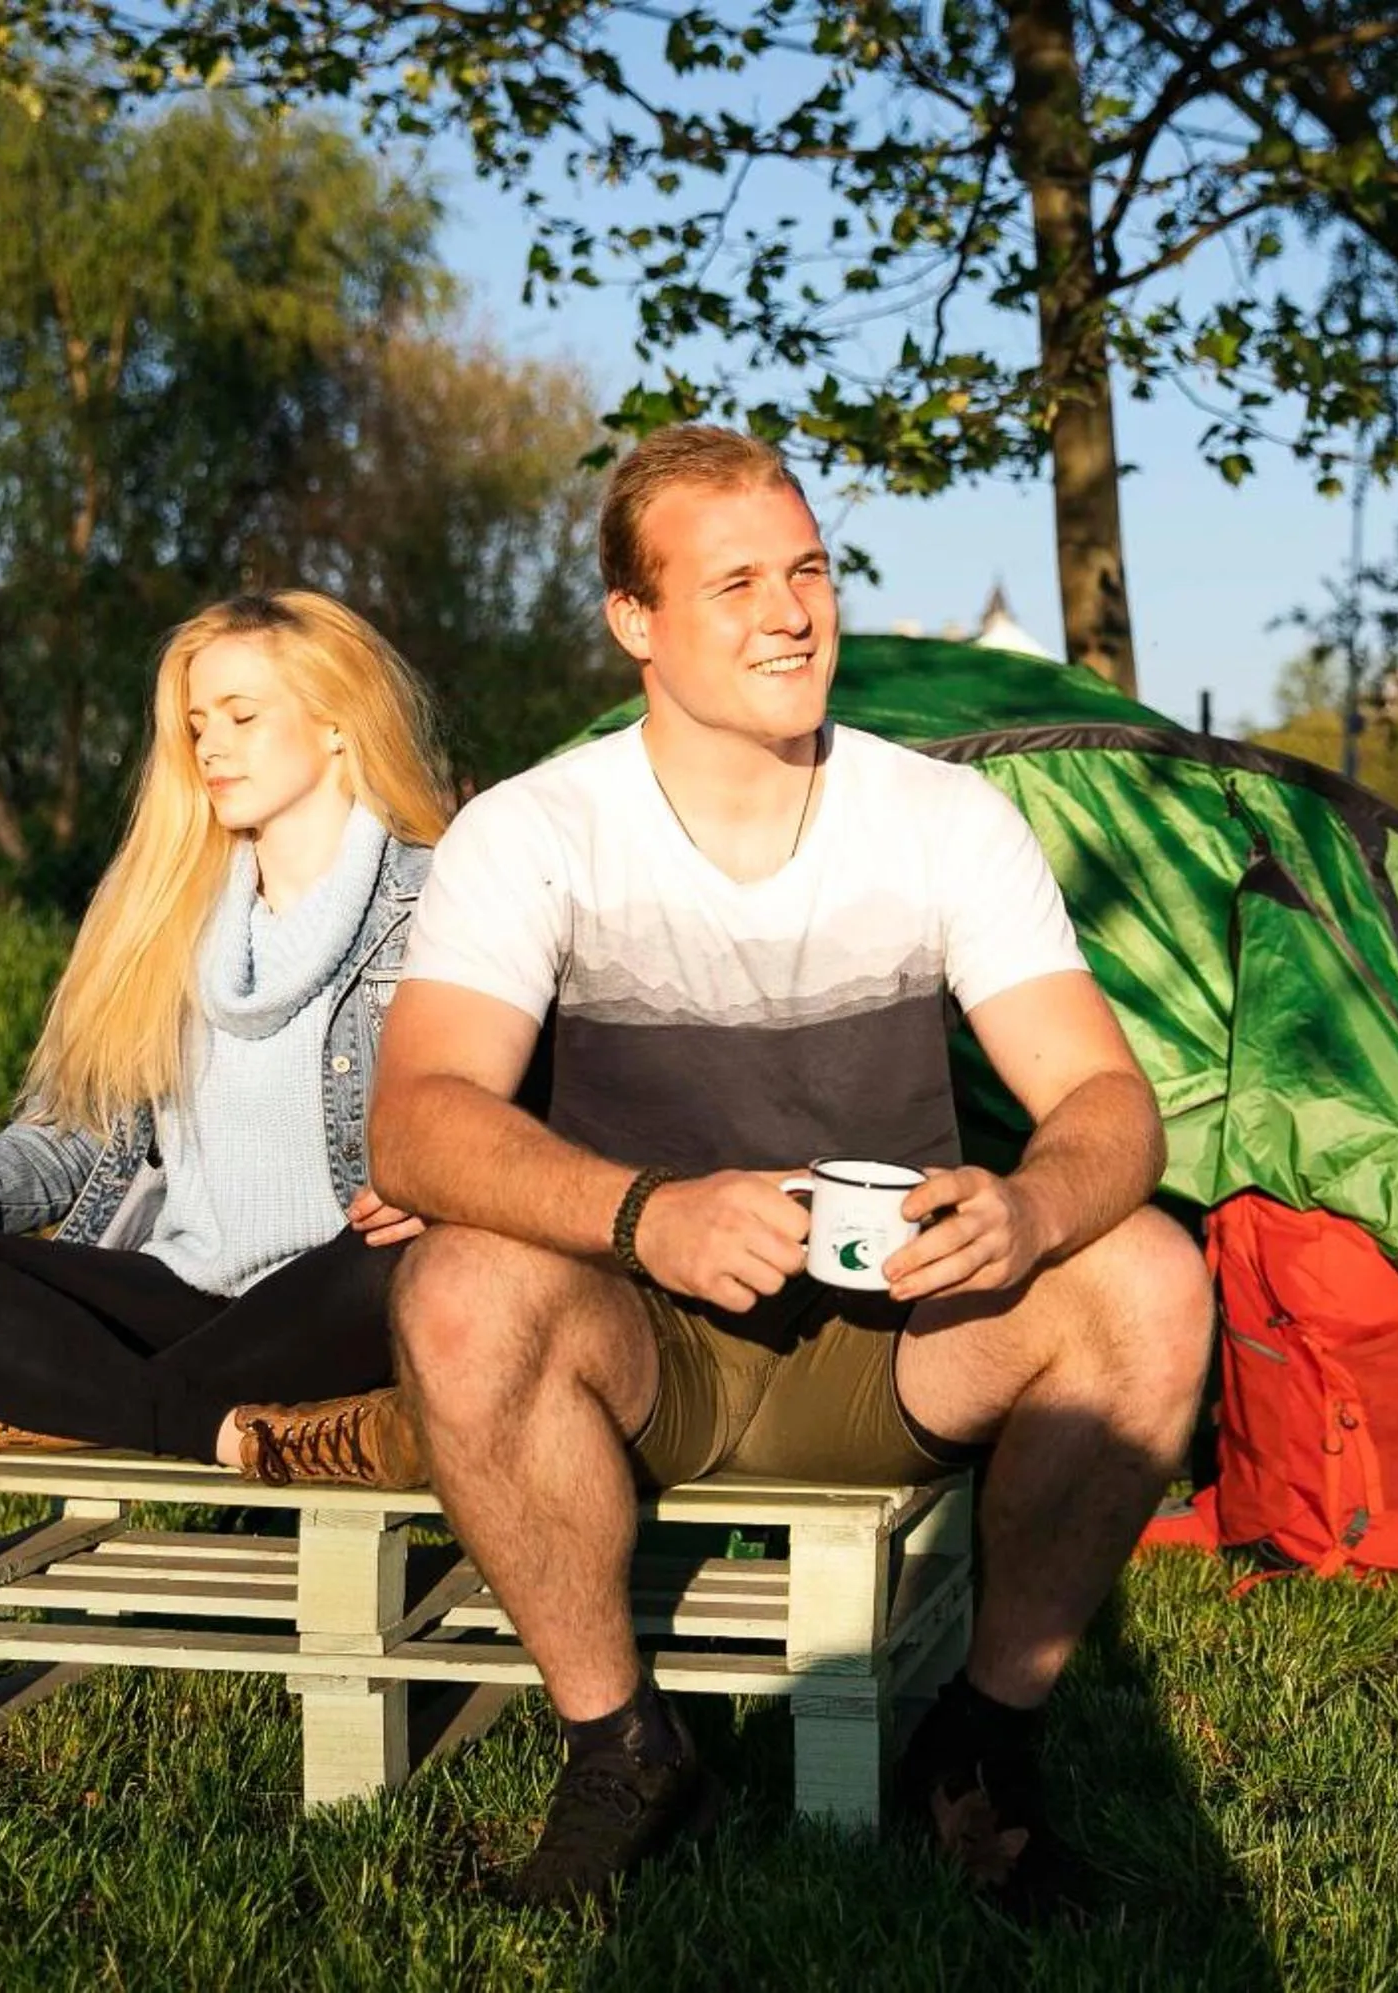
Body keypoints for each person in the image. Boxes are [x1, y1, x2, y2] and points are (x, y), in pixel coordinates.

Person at [371, 426, 1214, 1910]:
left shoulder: (944, 819)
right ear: (635, 621)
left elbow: (1107, 1102)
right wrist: (643, 1215)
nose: (793, 612)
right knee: (457, 1289)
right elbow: (420, 1121)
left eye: (810, 570)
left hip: (898, 1347)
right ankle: (622, 1744)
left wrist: (1029, 1206)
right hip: (646, 1336)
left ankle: (984, 1744)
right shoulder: (535, 831)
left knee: (1146, 1270)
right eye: (738, 582)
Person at [0, 590, 448, 1489]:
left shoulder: (442, 896)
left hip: (340, 1291)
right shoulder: (162, 909)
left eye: (242, 715)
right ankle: (234, 1429)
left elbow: (519, 1100)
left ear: (337, 727)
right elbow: (85, 1135)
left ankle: (49, 1402)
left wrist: (451, 1185)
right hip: (182, 1295)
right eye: (198, 722)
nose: (210, 745)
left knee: (418, 1260)